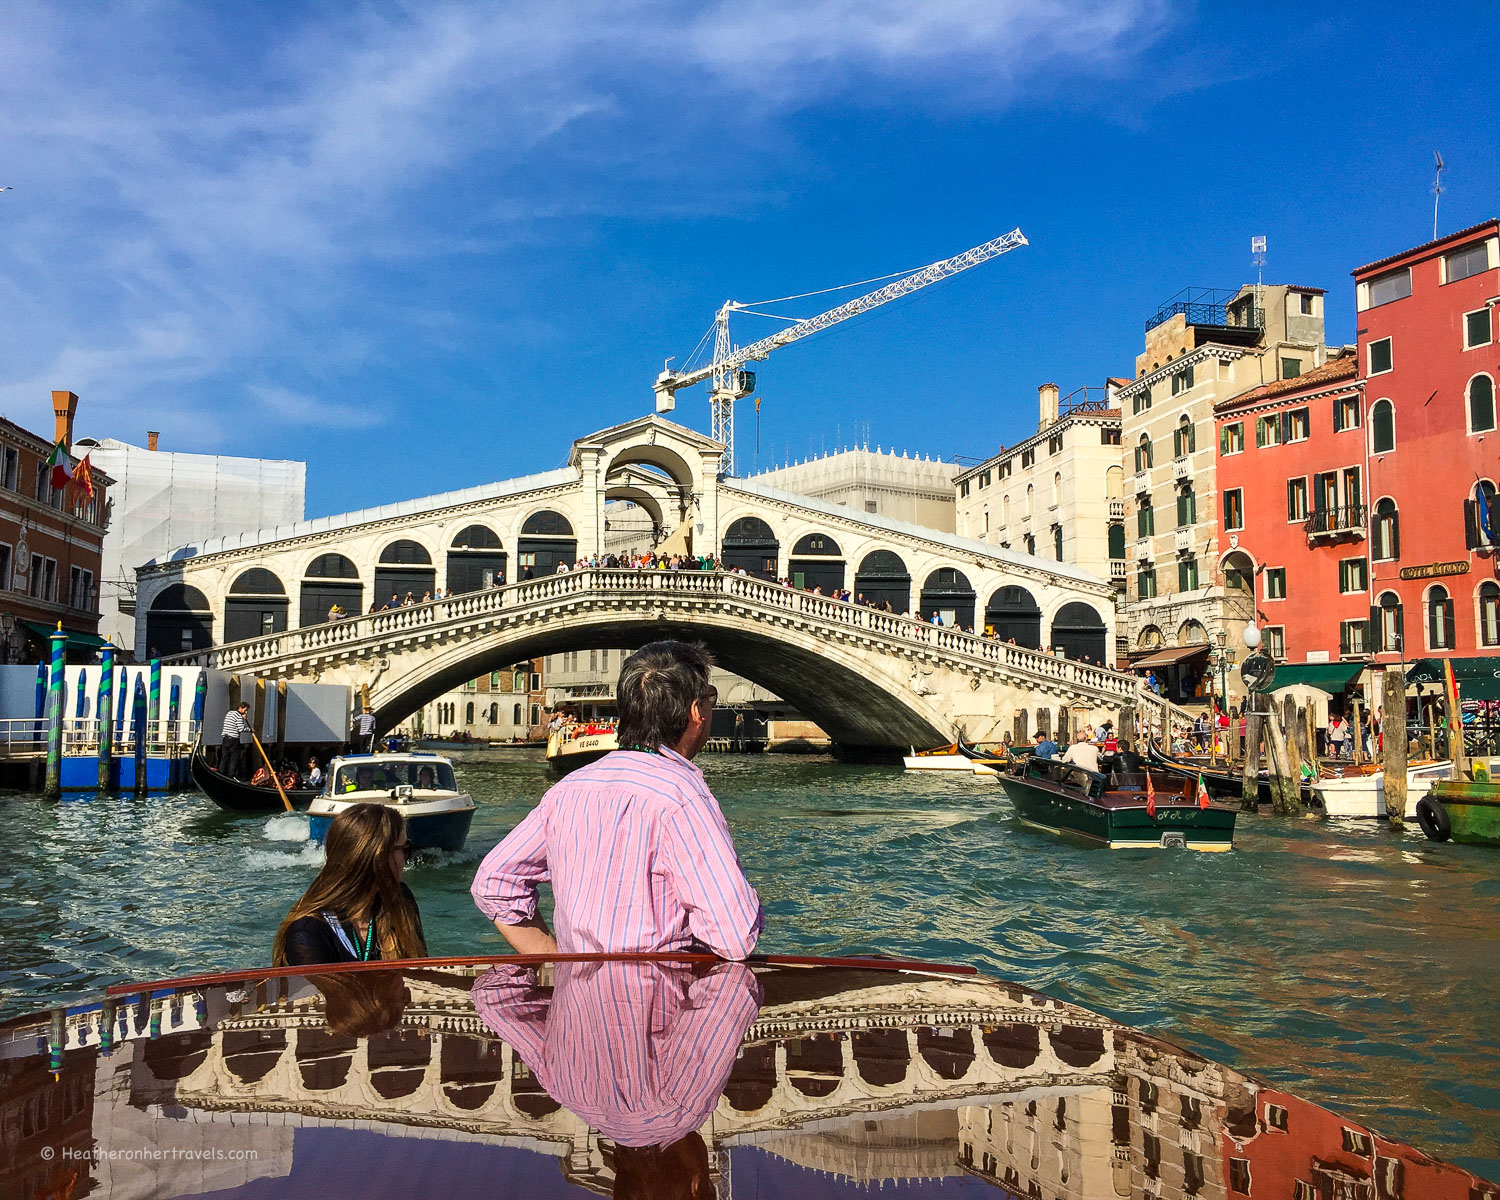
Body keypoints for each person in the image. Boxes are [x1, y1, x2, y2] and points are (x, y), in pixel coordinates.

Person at [472, 640, 763, 959]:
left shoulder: (566, 790)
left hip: (574, 1003)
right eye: (710, 698)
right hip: (661, 1004)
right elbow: (734, 936)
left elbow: (495, 883)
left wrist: (556, 963)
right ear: (697, 712)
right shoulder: (682, 796)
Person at [474, 957, 759, 1199]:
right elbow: (493, 995)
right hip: (574, 910)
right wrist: (567, 983)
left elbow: (735, 986)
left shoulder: (682, 1108)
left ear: (696, 1184)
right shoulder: (564, 1090)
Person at [272, 803, 426, 966]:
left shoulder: (400, 898)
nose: (406, 858)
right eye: (405, 848)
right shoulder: (307, 932)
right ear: (379, 858)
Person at [219, 702, 250, 779]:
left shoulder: (229, 713)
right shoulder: (239, 716)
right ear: (240, 708)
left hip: (225, 738)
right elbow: (241, 728)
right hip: (233, 739)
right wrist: (250, 730)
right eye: (245, 710)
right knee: (234, 758)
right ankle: (231, 775)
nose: (246, 712)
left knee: (224, 757)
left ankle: (221, 773)